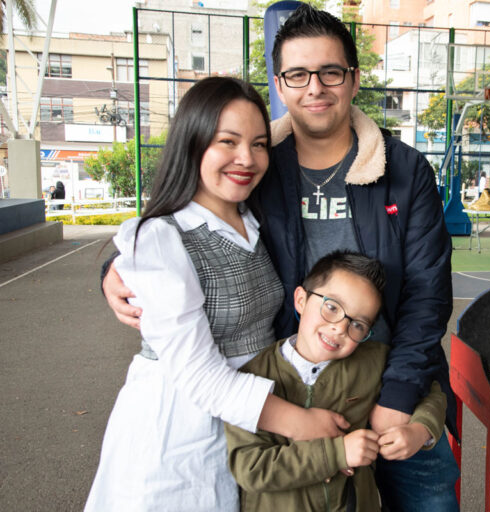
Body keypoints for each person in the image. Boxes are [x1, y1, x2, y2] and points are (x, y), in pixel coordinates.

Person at [102, 4, 460, 510]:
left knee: (426, 498)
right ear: (280, 83)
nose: (315, 87)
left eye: (330, 72)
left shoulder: (404, 169)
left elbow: (427, 292)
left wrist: (398, 397)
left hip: (392, 381)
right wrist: (114, 270)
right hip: (294, 390)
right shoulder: (257, 164)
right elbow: (181, 217)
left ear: (353, 80)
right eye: (298, 74)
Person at [86, 77, 348, 512]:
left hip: (245, 430)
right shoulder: (160, 239)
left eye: (260, 144)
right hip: (175, 434)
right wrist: (302, 423)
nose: (247, 158)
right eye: (227, 141)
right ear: (193, 143)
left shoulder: (256, 221)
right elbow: (199, 377)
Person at [226, 251, 446, 511]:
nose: (341, 328)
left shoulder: (373, 361)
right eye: (332, 307)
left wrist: (420, 431)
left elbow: (430, 392)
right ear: (301, 300)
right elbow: (251, 469)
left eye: (358, 324)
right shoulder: (252, 378)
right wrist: (338, 453)